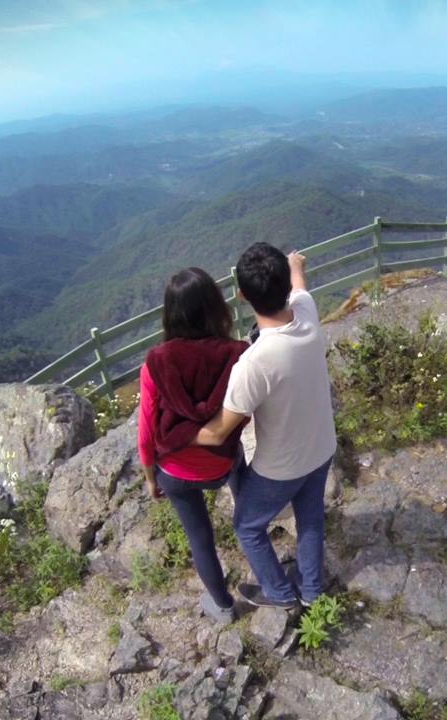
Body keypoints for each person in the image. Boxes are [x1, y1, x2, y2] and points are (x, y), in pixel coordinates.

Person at [196, 243, 337, 609]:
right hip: (322, 448)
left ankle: (278, 593)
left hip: (282, 467)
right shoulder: (307, 313)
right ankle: (311, 591)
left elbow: (218, 431)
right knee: (310, 519)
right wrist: (294, 263)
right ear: (287, 290)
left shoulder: (254, 363)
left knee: (247, 526)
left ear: (242, 296)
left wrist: (174, 435)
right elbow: (301, 285)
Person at [138, 267, 249, 624]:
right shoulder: (237, 353)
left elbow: (146, 430)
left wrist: (151, 477)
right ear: (217, 308)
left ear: (170, 314)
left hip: (175, 470)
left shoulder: (156, 362)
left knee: (200, 538)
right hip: (220, 463)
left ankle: (223, 606)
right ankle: (247, 511)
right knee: (239, 458)